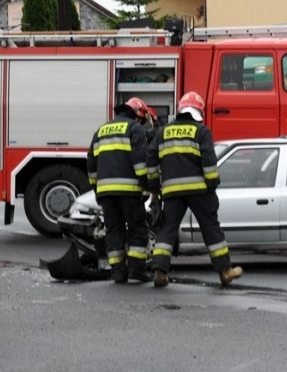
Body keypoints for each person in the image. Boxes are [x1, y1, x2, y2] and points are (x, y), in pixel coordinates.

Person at [146, 91, 242, 288]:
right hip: (199, 191)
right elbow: (209, 163)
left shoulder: (163, 132)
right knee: (210, 228)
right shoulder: (201, 131)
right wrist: (212, 185)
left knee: (168, 229)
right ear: (198, 111)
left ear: (181, 110)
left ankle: (160, 271)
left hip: (172, 192)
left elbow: (151, 163)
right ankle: (225, 271)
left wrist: (155, 191)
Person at [87, 97, 151, 284]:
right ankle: (137, 271)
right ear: (137, 115)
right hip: (129, 191)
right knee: (137, 228)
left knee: (113, 230)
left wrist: (97, 189)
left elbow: (91, 163)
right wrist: (146, 186)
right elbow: (140, 163)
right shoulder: (134, 129)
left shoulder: (101, 131)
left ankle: (118, 273)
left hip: (106, 193)